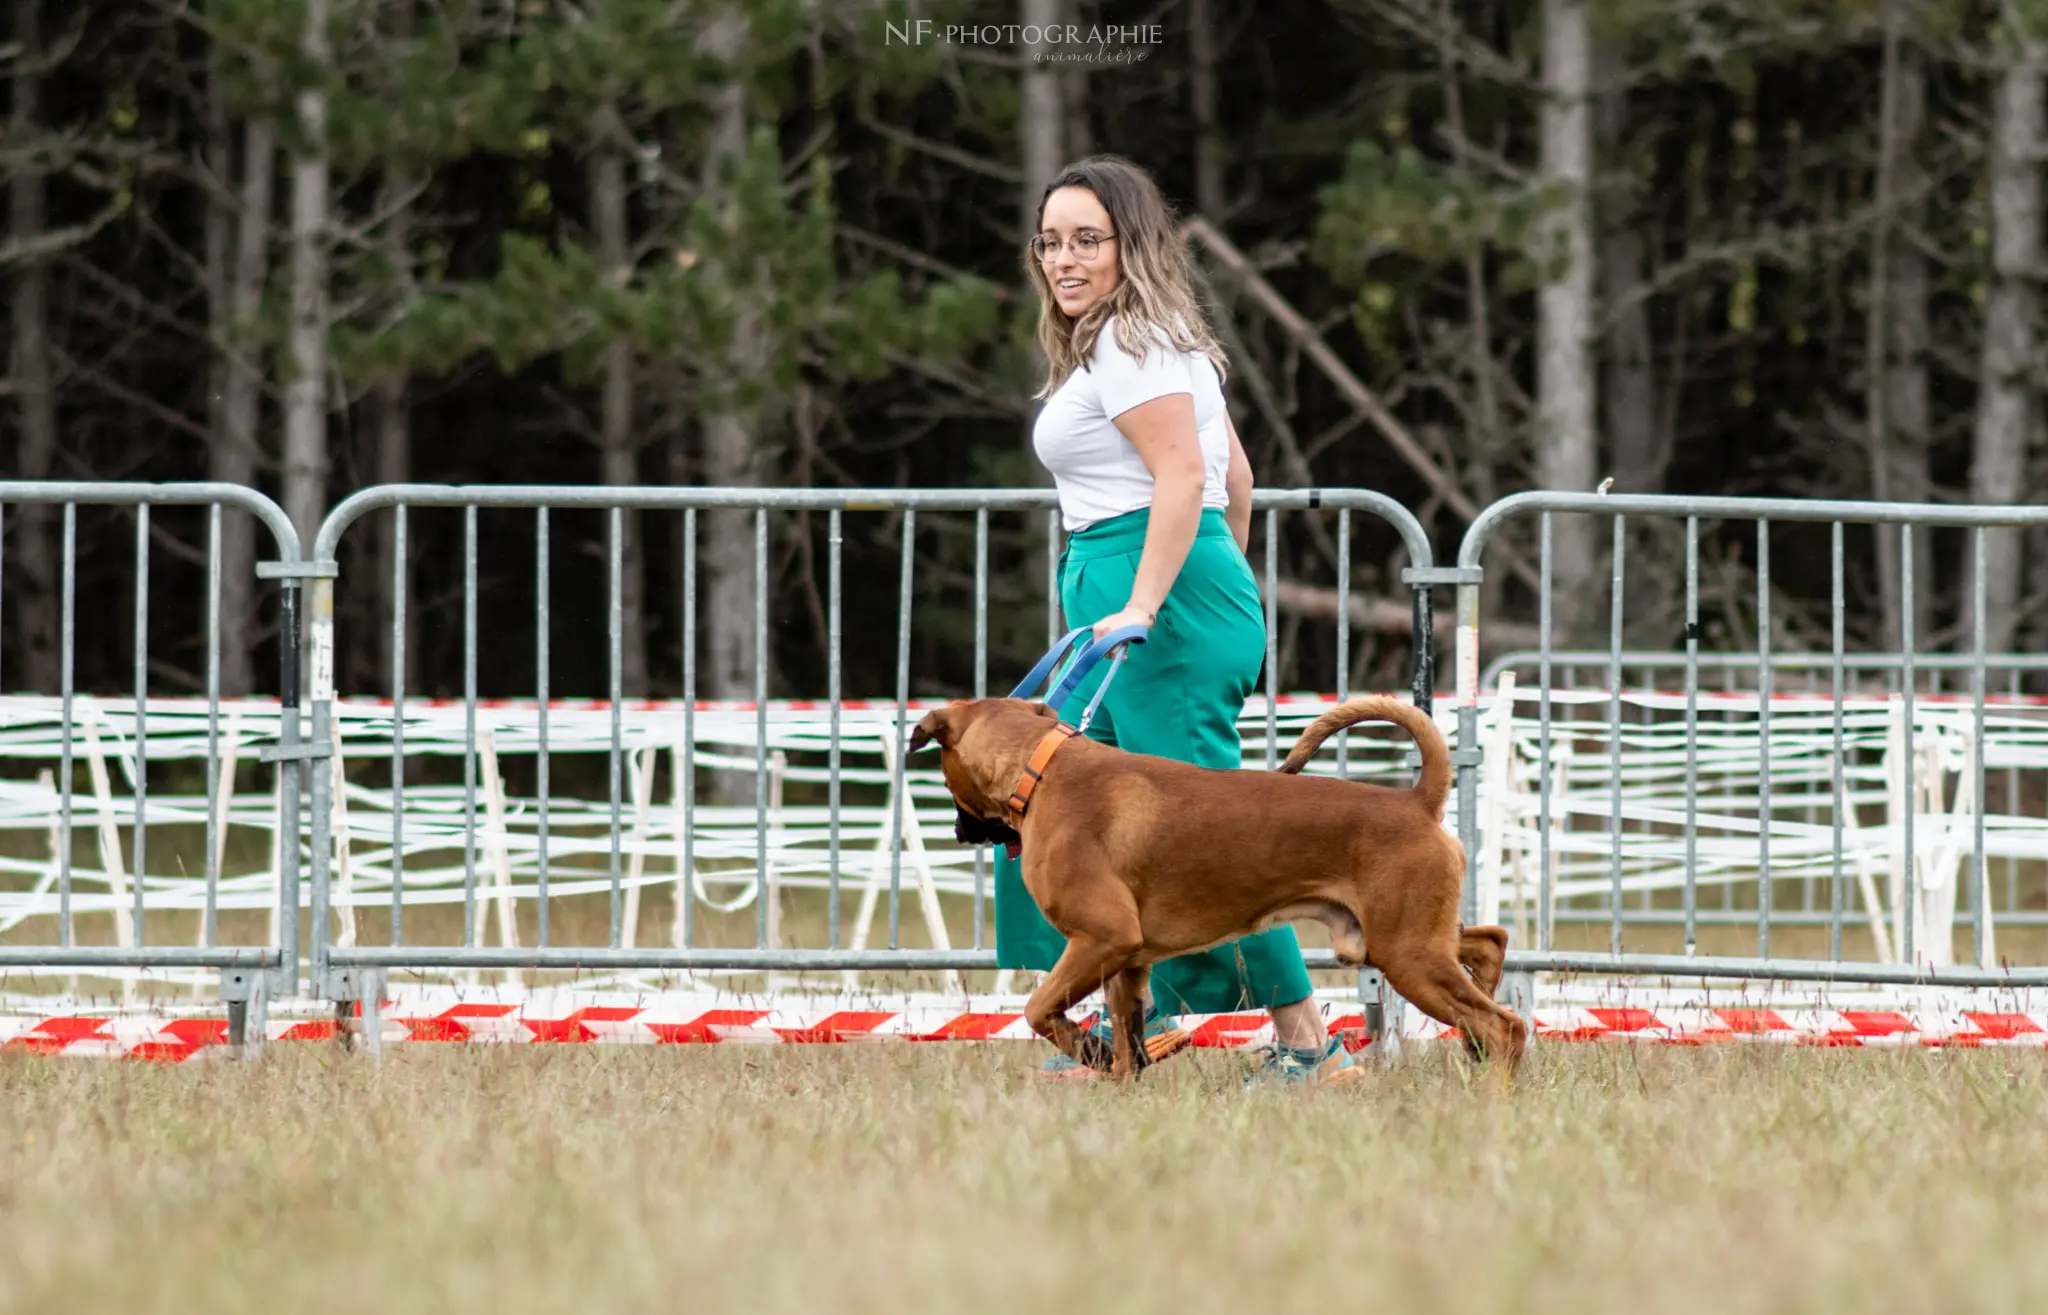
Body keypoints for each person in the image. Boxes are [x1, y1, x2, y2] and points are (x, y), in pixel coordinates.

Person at [994, 154, 1358, 1088]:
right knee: (1105, 831)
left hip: (1153, 604)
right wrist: (1210, 571)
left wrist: (1157, 601)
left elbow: (1188, 480)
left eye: (1087, 241)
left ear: (1131, 245)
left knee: (1212, 839)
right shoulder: (1144, 338)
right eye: (1051, 242)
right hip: (1146, 587)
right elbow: (1234, 479)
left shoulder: (1133, 344)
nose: (1063, 259)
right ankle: (1130, 1039)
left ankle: (1310, 1045)